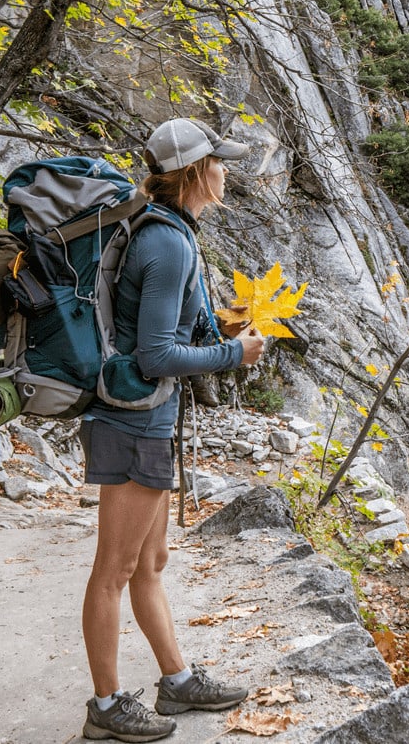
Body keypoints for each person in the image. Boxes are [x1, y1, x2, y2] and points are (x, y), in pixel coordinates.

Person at [80, 118, 266, 743]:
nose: (226, 170)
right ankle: (105, 707)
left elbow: (153, 328)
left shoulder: (168, 234)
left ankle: (177, 681)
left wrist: (215, 322)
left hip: (142, 419)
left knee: (150, 562)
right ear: (194, 174)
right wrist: (232, 357)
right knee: (115, 566)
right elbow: (157, 355)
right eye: (218, 161)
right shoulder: (169, 244)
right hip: (135, 421)